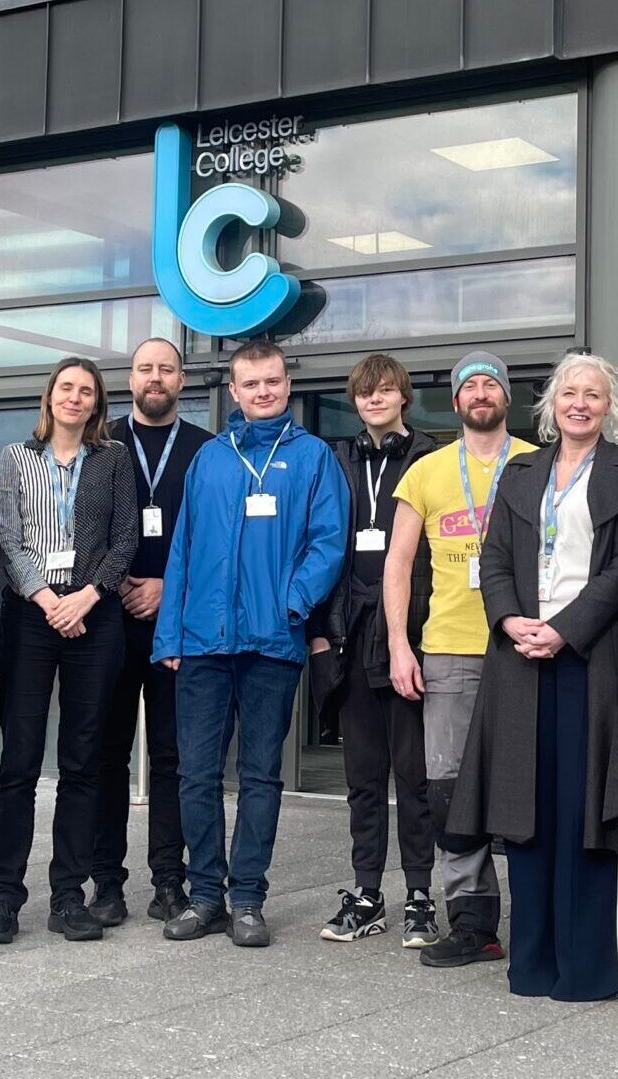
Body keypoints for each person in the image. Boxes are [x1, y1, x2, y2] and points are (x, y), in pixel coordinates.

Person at [448, 353, 618, 999]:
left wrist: (565, 627)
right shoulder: (523, 470)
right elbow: (498, 556)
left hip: (588, 660)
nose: (580, 403)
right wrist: (510, 620)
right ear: (552, 403)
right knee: (525, 811)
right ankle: (531, 964)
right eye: (570, 392)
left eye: (593, 393)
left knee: (583, 811)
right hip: (519, 660)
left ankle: (586, 969)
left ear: (608, 406)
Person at [153, 339, 348, 948]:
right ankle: (205, 894)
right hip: (204, 642)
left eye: (272, 381)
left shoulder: (314, 457)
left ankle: (247, 900)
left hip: (272, 642)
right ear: (232, 392)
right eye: (250, 384)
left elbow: (329, 542)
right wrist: (171, 635)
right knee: (196, 774)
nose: (263, 391)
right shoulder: (211, 458)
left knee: (261, 775)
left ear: (286, 385)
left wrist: (290, 604)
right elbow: (182, 549)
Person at [0, 357, 137, 944]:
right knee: (18, 761)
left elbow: (125, 539)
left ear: (97, 403)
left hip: (94, 616)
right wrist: (47, 599)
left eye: (86, 391)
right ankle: (4, 898)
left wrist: (86, 597)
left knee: (83, 760)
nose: (74, 398)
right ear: (50, 398)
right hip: (31, 617)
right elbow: (7, 537)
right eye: (65, 388)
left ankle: (69, 894)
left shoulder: (113, 460)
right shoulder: (17, 459)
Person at [384, 350, 534, 968]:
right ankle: (473, 923)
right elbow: (397, 565)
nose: (480, 393)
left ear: (506, 398)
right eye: (469, 385)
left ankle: (538, 915)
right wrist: (399, 643)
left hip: (524, 647)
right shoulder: (426, 471)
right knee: (447, 790)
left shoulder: (534, 463)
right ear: (454, 402)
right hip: (448, 649)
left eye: (490, 384)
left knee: (528, 787)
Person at [307, 354, 439, 947]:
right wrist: (319, 629)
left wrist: (417, 632)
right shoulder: (338, 458)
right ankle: (366, 893)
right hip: (349, 631)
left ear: (403, 396)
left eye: (385, 391)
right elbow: (319, 542)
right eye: (364, 393)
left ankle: (419, 895)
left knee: (413, 773)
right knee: (363, 774)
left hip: (410, 630)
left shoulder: (431, 456)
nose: (374, 400)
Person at [87, 339, 212, 927]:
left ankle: (169, 881)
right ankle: (106, 883)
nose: (155, 377)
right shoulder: (99, 442)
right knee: (106, 755)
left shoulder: (207, 450)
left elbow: (215, 541)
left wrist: (167, 586)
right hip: (107, 622)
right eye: (145, 369)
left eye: (166, 368)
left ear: (182, 380)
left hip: (177, 623)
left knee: (172, 757)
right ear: (130, 378)